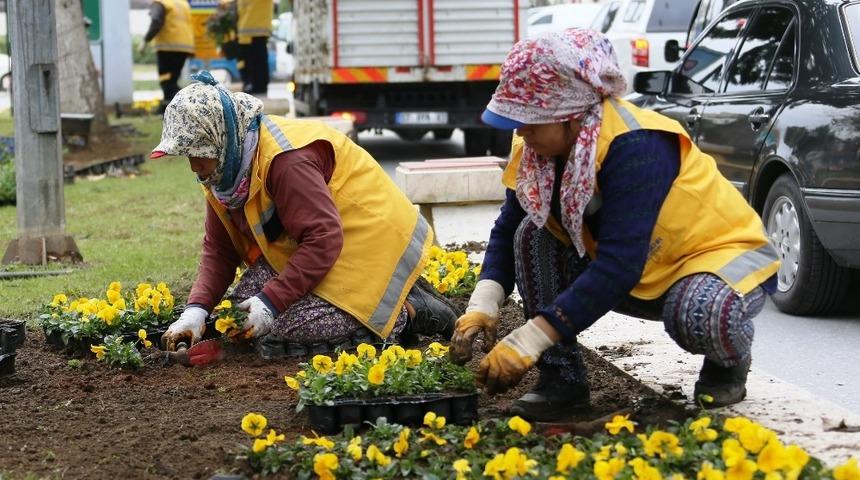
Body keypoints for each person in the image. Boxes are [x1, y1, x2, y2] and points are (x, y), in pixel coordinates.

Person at [450, 29, 780, 420]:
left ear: (570, 115)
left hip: (714, 262)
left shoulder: (635, 145)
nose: (520, 131)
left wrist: (530, 339)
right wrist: (482, 306)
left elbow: (619, 265)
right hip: (641, 270)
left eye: (530, 121)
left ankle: (729, 359)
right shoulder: (538, 149)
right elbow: (509, 227)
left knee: (698, 314)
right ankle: (562, 384)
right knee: (531, 234)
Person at [152, 71, 458, 354]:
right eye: (187, 155)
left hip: (368, 241)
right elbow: (219, 249)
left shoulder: (286, 161)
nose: (194, 164)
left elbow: (324, 238)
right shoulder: (225, 168)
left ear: (218, 137)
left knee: (284, 332)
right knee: (237, 317)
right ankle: (392, 300)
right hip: (322, 243)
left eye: (198, 153)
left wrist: (271, 302)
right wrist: (197, 310)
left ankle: (407, 311)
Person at [140, 0, 195, 110]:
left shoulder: (161, 3)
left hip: (168, 45)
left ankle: (173, 106)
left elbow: (156, 20)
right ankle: (172, 106)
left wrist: (146, 40)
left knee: (166, 79)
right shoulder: (183, 3)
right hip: (185, 46)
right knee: (173, 79)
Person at [236, 0, 272, 95]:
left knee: (258, 63)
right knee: (244, 64)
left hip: (258, 35)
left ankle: (259, 87)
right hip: (243, 36)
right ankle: (248, 84)